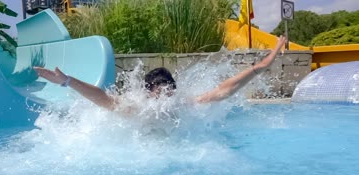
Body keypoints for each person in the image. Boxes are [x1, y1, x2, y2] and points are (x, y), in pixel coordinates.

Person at [34, 36, 286, 112]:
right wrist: (67, 81)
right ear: (148, 91)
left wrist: (260, 66)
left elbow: (223, 90)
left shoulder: (183, 104)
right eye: (160, 92)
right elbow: (102, 99)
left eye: (169, 91)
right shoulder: (136, 107)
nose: (166, 97)